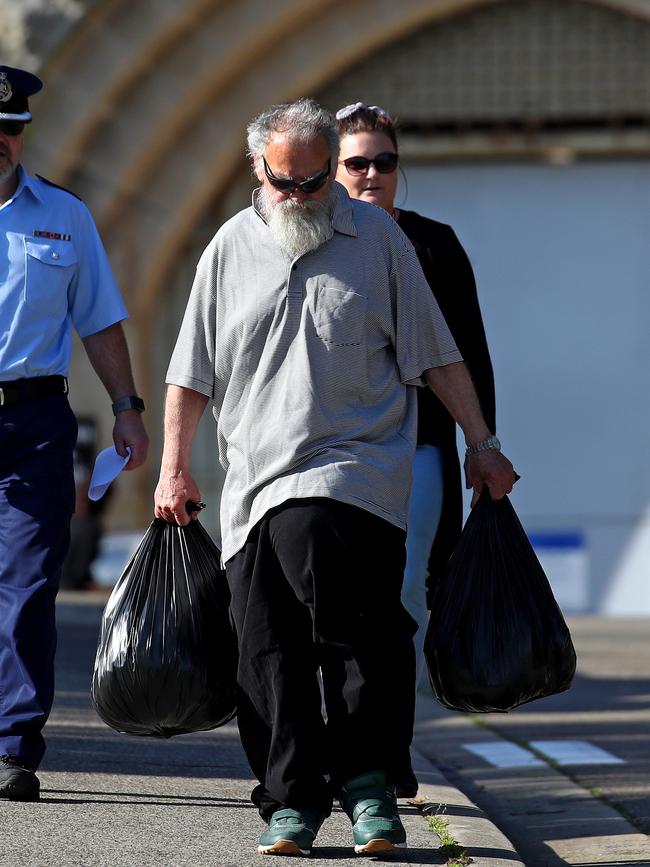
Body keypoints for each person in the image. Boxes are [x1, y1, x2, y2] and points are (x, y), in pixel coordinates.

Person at [154, 97, 515, 857]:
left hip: (355, 471)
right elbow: (189, 375)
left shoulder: (379, 240)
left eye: (316, 182)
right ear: (257, 170)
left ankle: (367, 784)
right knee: (265, 646)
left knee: (349, 618)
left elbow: (437, 354)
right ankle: (291, 798)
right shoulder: (227, 248)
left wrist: (480, 443)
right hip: (252, 481)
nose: (302, 198)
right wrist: (174, 469)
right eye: (287, 183)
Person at [334, 103, 497, 795]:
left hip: (420, 448)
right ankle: (338, 748)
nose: (372, 174)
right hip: (336, 451)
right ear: (331, 169)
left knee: (402, 600)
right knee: (333, 604)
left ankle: (389, 757)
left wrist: (482, 443)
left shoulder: (435, 244)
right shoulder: (313, 240)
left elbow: (470, 354)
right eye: (357, 162)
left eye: (385, 161)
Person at [0, 65, 149, 801]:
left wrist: (127, 404)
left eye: (10, 129)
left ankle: (12, 747)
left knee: (27, 584)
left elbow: (98, 317)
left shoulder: (63, 216)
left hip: (32, 421)